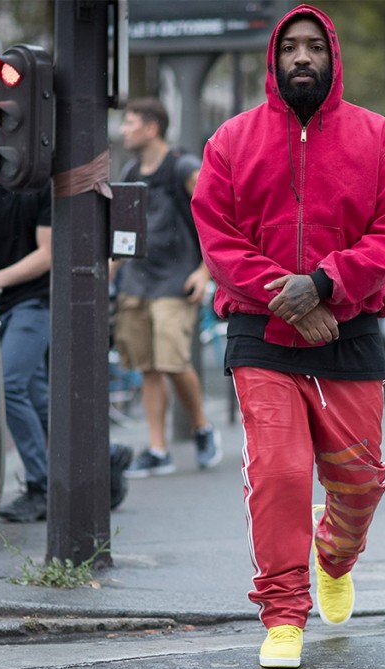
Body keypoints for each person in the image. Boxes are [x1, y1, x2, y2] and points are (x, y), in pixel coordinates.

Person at [190, 4, 385, 669]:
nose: (301, 58)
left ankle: (335, 557)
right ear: (274, 57)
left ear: (333, 56)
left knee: (360, 481)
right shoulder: (230, 140)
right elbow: (218, 236)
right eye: (290, 47)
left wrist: (324, 284)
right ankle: (284, 613)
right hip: (261, 332)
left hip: (348, 328)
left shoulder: (378, 137)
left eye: (314, 46)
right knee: (281, 472)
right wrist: (282, 296)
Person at [0, 112, 131, 521]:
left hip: (36, 300)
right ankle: (105, 458)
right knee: (37, 397)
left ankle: (40, 485)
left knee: (9, 384)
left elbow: (47, 254)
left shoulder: (40, 186)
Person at [111, 97, 222, 478]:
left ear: (151, 128)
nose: (123, 129)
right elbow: (124, 231)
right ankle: (158, 451)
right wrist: (110, 272)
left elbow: (218, 213)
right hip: (137, 281)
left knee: (173, 361)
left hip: (176, 280)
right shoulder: (130, 170)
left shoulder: (183, 166)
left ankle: (202, 427)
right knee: (147, 366)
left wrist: (205, 270)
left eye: (129, 122)